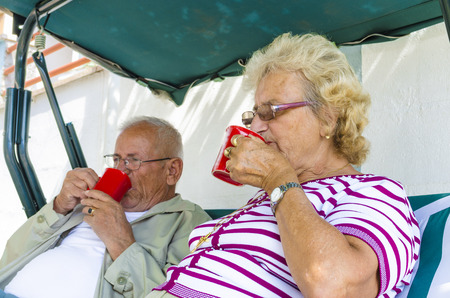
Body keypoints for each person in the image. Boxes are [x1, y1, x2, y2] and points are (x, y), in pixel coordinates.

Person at [149, 33, 420, 297]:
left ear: (327, 118)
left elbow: (336, 286)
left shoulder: (374, 193)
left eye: (270, 111)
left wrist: (277, 179)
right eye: (254, 114)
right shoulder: (273, 196)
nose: (255, 126)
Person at [0, 116, 211, 298]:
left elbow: (175, 294)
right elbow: (10, 259)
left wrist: (121, 242)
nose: (121, 170)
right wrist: (58, 208)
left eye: (133, 161)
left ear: (172, 170)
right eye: (117, 159)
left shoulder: (191, 224)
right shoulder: (86, 202)